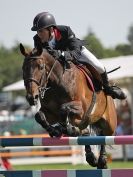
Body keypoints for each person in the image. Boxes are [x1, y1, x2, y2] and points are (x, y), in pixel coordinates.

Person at [31, 12, 126, 100]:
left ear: (51, 29)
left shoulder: (65, 31)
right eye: (37, 32)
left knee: (99, 66)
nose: (39, 35)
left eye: (41, 31)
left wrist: (61, 54)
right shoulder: (37, 39)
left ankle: (108, 88)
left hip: (77, 52)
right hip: (57, 62)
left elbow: (75, 53)